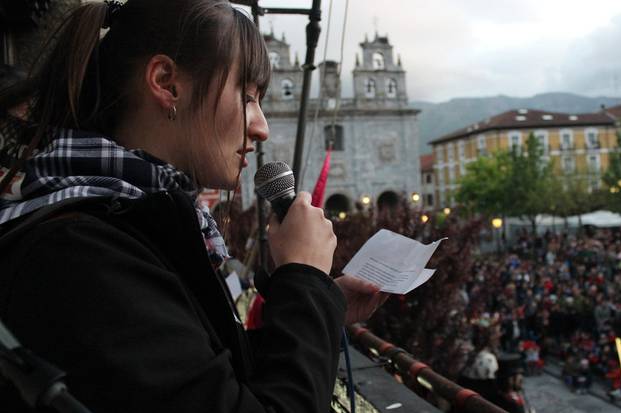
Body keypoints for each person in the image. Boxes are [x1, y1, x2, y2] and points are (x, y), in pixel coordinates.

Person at [0, 1, 385, 412]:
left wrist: (320, 307)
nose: (261, 127)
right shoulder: (80, 253)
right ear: (167, 83)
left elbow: (198, 369)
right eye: (248, 96)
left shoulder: (125, 227)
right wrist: (305, 276)